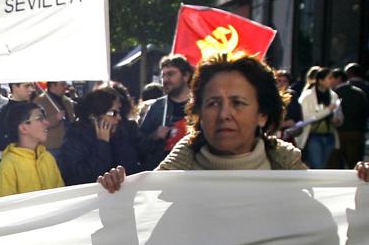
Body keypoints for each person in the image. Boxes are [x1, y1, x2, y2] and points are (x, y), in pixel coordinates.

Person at [99, 53, 303, 192]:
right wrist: (118, 196)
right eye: (213, 103)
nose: (224, 114)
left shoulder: (296, 177)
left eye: (238, 103)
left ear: (263, 114)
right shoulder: (166, 181)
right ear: (199, 113)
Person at [57, 86, 140, 185]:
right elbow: (81, 177)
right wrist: (102, 144)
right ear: (94, 117)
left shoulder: (118, 133)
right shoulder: (75, 137)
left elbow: (130, 169)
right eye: (113, 113)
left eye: (119, 112)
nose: (119, 117)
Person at [0, 101, 64, 198]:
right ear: (23, 128)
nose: (46, 123)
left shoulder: (47, 158)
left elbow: (61, 196)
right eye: (40, 119)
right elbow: (5, 210)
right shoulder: (7, 168)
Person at [138, 53, 194, 169]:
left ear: (186, 76)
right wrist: (155, 136)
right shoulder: (157, 107)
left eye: (171, 74)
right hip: (162, 173)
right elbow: (140, 145)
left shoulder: (200, 106)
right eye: (163, 75)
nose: (165, 79)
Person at [296, 67, 342, 168]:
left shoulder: (334, 95)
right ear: (320, 80)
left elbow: (339, 115)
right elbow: (308, 117)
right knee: (317, 166)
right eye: (329, 78)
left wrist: (337, 120)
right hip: (313, 135)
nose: (332, 80)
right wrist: (328, 110)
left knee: (323, 166)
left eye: (333, 78)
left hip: (329, 135)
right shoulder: (307, 96)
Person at [36, 80, 76, 160]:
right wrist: (55, 118)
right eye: (62, 84)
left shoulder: (67, 101)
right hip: (51, 146)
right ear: (53, 85)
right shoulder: (40, 101)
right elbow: (37, 124)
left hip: (69, 144)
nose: (65, 87)